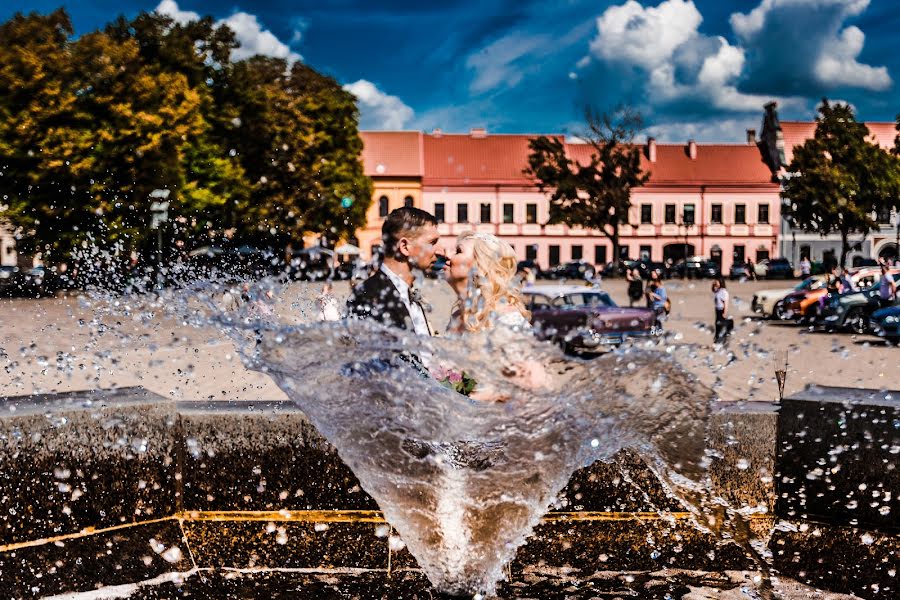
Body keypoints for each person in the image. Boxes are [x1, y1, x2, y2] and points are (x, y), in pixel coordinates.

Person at [346, 207, 443, 336]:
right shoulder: (369, 296)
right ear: (404, 247)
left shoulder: (410, 295)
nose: (440, 252)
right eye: (432, 242)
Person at [712, 277, 732, 343]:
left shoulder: (724, 292)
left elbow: (726, 302)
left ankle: (721, 340)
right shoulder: (718, 290)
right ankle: (717, 339)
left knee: (721, 326)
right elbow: (713, 290)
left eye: (717, 282)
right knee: (717, 325)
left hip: (721, 310)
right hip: (717, 310)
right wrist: (713, 284)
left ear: (721, 282)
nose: (716, 283)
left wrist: (725, 312)